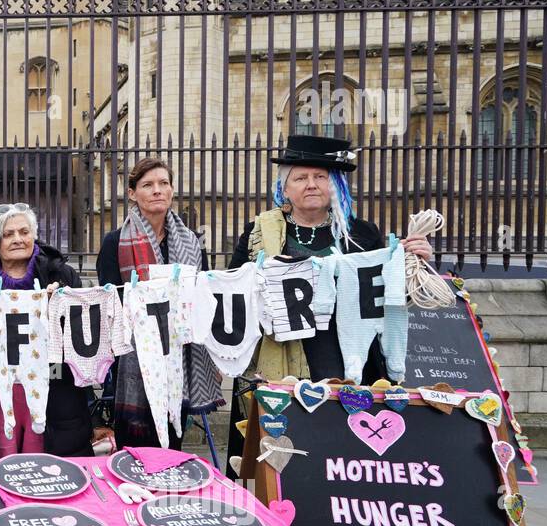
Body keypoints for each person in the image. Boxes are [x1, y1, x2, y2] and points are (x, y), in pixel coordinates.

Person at [224, 134, 433, 469]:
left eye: (320, 176)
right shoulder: (259, 234)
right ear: (285, 188)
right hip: (281, 361)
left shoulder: (362, 234)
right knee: (280, 463)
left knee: (338, 457)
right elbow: (236, 295)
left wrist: (412, 264)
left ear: (335, 185)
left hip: (347, 363)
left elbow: (386, 299)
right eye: (300, 177)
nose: (311, 184)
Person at [97, 157, 224, 449]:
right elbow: (112, 303)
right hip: (135, 354)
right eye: (148, 185)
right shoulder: (115, 242)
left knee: (174, 438)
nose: (157, 190)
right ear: (132, 194)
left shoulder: (191, 241)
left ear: (171, 190)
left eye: (163, 183)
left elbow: (199, 298)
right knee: (136, 446)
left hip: (180, 350)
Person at [0, 204, 92, 458]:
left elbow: (82, 332)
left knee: (44, 463)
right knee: (0, 460)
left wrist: (60, 308)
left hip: (53, 388)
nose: (18, 239)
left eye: (24, 232)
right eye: (8, 234)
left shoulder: (61, 275)